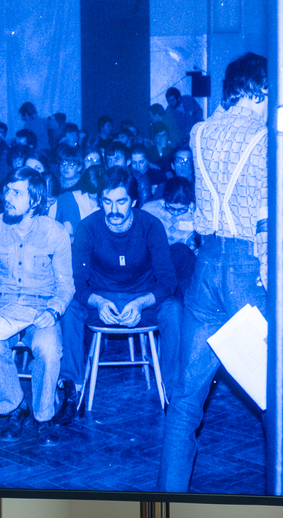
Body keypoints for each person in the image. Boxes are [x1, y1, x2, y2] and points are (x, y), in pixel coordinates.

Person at [158, 52, 268, 493]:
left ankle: (168, 497)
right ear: (261, 90)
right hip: (247, 267)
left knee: (185, 399)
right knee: (271, 392)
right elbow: (264, 219)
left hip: (206, 268)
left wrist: (237, 94)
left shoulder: (201, 133)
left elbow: (227, 111)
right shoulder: (266, 138)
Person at [69, 167, 182, 413]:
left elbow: (167, 280)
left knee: (173, 308)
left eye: (121, 202)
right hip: (102, 299)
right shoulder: (87, 227)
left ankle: (173, 391)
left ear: (133, 201)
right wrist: (97, 301)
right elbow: (76, 282)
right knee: (70, 308)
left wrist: (142, 302)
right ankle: (73, 387)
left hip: (142, 299)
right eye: (107, 202)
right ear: (100, 201)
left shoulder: (151, 225)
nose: (114, 210)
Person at [0, 167, 73, 447]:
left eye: (16, 192)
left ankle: (43, 416)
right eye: (7, 189)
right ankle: (16, 406)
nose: (7, 196)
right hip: (5, 308)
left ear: (35, 200)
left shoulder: (55, 233)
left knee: (47, 348)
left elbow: (66, 284)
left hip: (41, 309)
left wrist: (53, 310)